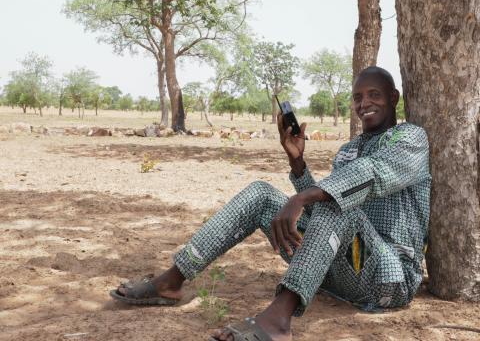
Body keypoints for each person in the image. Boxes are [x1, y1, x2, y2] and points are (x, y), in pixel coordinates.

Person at [110, 66, 431, 341]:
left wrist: (304, 196)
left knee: (337, 202)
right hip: (336, 276)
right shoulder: (348, 150)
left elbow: (370, 175)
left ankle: (278, 320)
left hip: (387, 281)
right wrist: (298, 165)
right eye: (358, 97)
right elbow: (325, 212)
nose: (365, 103)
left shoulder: (410, 139)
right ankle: (171, 281)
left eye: (374, 95)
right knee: (263, 193)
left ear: (393, 98)